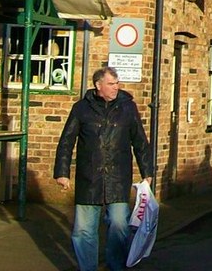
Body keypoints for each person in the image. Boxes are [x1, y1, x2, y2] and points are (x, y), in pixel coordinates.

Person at [54, 66, 153, 271]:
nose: (115, 87)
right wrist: (62, 173)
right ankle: (87, 267)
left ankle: (115, 265)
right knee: (83, 230)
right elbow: (66, 141)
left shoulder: (128, 108)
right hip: (89, 178)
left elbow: (140, 142)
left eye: (117, 83)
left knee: (119, 225)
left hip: (117, 178)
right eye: (111, 84)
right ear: (98, 85)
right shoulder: (81, 109)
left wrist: (148, 173)